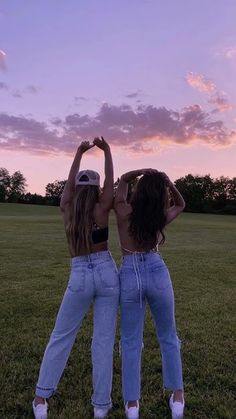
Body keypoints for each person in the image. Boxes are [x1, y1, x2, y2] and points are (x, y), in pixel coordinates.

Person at [32, 137, 119, 419]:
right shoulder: (101, 208)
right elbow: (110, 182)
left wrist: (78, 153)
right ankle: (100, 406)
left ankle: (42, 398)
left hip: (80, 273)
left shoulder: (67, 208)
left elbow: (68, 187)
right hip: (106, 272)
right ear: (96, 190)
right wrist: (106, 151)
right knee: (103, 341)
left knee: (61, 336)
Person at [114, 169, 185, 419]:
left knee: (131, 341)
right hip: (157, 270)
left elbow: (122, 181)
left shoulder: (124, 212)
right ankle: (177, 397)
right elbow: (181, 204)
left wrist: (139, 172)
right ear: (160, 195)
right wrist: (169, 183)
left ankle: (132, 404)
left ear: (140, 191)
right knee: (168, 336)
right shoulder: (159, 217)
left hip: (129, 272)